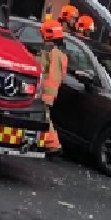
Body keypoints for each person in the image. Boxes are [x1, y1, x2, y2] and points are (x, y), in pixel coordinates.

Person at [36, 19, 68, 158]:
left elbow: (48, 71)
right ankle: (49, 143)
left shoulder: (53, 52)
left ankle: (53, 144)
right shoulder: (60, 52)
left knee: (44, 116)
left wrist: (45, 91)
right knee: (45, 115)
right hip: (50, 90)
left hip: (46, 90)